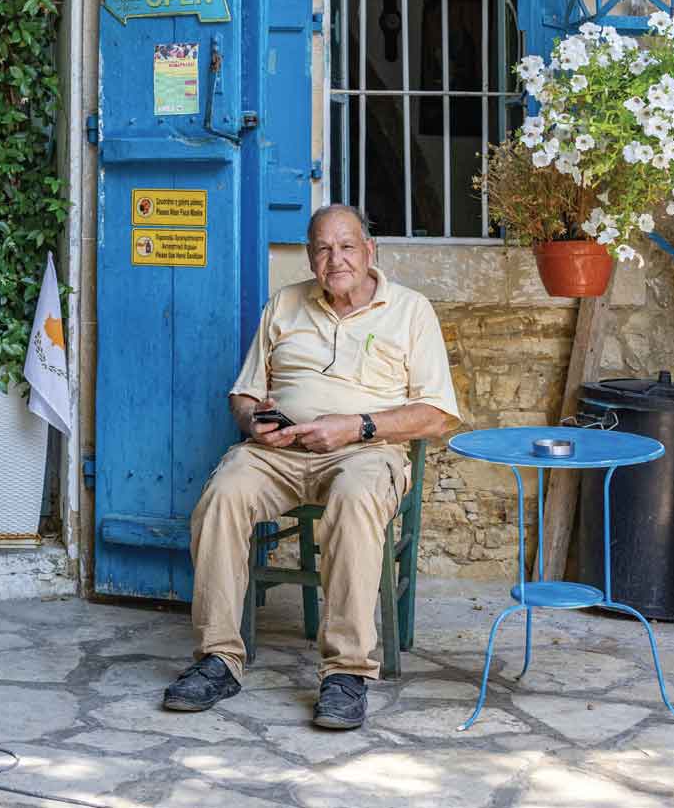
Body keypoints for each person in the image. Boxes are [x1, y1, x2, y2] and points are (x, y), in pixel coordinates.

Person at [163, 204, 461, 732]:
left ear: (370, 251)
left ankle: (346, 672)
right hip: (278, 454)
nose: (335, 259)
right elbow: (245, 393)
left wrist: (357, 427)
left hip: (366, 453)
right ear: (309, 256)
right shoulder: (285, 303)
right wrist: (254, 419)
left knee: (353, 498)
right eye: (323, 249)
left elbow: (437, 415)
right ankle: (218, 659)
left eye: (346, 246)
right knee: (223, 495)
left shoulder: (410, 311)